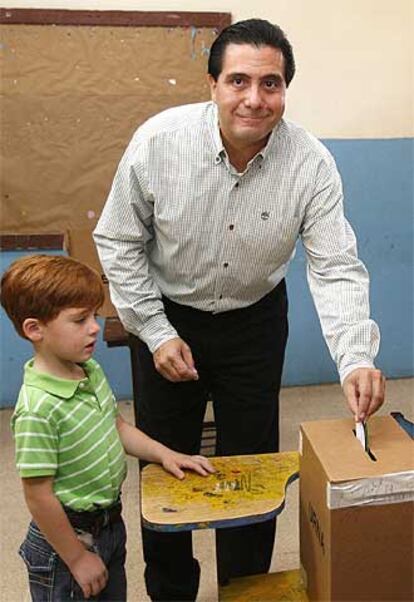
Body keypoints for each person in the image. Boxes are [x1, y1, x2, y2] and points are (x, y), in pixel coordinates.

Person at [94, 18, 386, 600]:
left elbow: (334, 266)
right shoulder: (158, 142)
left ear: (285, 90)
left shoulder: (311, 164)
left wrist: (355, 358)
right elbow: (118, 240)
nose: (255, 99)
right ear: (212, 84)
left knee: (252, 466)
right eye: (239, 81)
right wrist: (153, 330)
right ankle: (171, 589)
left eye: (271, 83)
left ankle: (245, 586)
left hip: (255, 321)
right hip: (170, 317)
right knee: (167, 464)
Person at [0, 254, 214, 602]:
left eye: (94, 315)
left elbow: (117, 427)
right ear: (34, 329)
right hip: (67, 540)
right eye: (80, 320)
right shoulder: (37, 408)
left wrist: (167, 454)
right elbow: (38, 495)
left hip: (109, 523)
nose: (95, 327)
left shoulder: (88, 371)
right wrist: (77, 557)